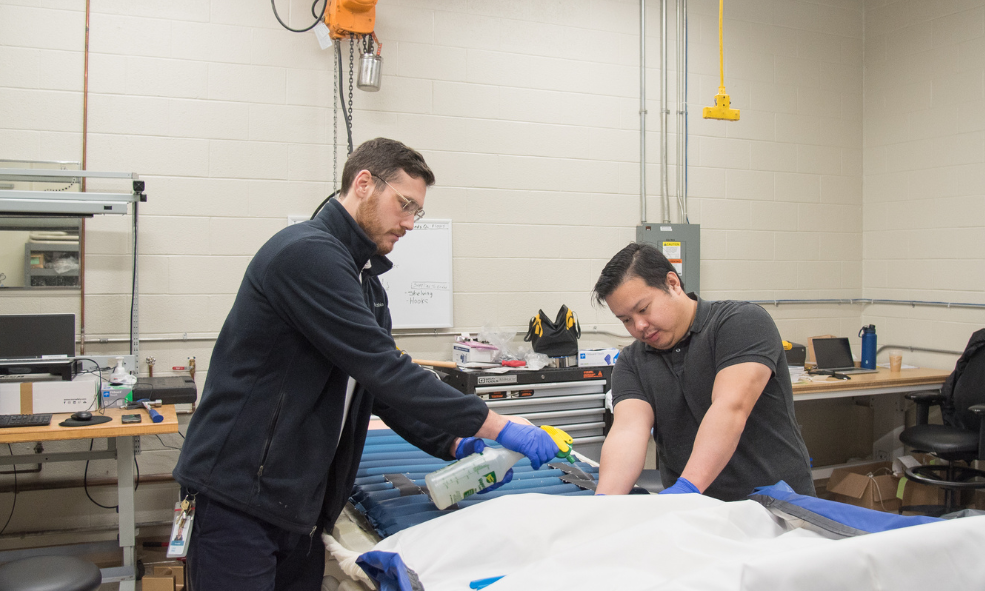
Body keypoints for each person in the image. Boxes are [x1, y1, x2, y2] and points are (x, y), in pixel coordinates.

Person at [173, 138, 560, 590]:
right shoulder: (306, 254)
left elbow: (376, 390)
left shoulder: (368, 286)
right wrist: (494, 425)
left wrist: (456, 443)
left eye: (417, 211)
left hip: (298, 503)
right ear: (363, 184)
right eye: (405, 205)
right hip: (238, 496)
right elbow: (385, 368)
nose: (411, 223)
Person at [592, 243, 814, 500]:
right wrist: (605, 501)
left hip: (778, 507)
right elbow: (628, 432)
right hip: (697, 511)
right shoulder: (632, 362)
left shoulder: (741, 323)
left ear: (673, 283)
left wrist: (687, 488)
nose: (639, 326)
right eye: (626, 320)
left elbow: (730, 408)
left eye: (643, 309)